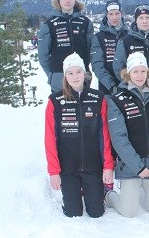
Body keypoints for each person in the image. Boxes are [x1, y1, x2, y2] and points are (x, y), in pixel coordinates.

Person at [44, 52, 114, 218]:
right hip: (68, 168)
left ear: (85, 73)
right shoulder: (55, 100)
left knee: (96, 213)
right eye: (70, 72)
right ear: (65, 76)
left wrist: (108, 166)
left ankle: (100, 194)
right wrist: (54, 171)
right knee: (73, 212)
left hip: (92, 166)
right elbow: (50, 138)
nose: (75, 77)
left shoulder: (98, 98)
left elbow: (104, 135)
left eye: (78, 71)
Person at [106, 52, 149, 217]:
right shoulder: (117, 99)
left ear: (147, 72)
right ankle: (109, 196)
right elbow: (119, 138)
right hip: (130, 165)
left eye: (143, 71)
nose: (139, 75)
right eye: (135, 71)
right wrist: (138, 167)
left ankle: (144, 187)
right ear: (128, 73)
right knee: (129, 212)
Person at [38, 0, 94, 93]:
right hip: (59, 79)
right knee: (62, 109)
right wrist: (51, 75)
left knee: (84, 109)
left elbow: (91, 49)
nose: (68, 0)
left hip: (82, 77)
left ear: (75, 0)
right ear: (59, 0)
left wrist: (86, 69)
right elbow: (43, 54)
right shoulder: (49, 24)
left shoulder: (85, 22)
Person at [113, 4, 149, 83]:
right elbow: (118, 68)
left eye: (147, 17)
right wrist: (129, 83)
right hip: (134, 87)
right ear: (136, 20)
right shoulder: (125, 41)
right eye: (141, 18)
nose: (144, 21)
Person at [90, 0, 128, 94]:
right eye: (111, 14)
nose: (114, 17)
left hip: (129, 87)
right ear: (106, 15)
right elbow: (97, 65)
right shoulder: (98, 37)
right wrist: (112, 86)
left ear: (121, 14)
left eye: (117, 13)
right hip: (107, 89)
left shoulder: (129, 35)